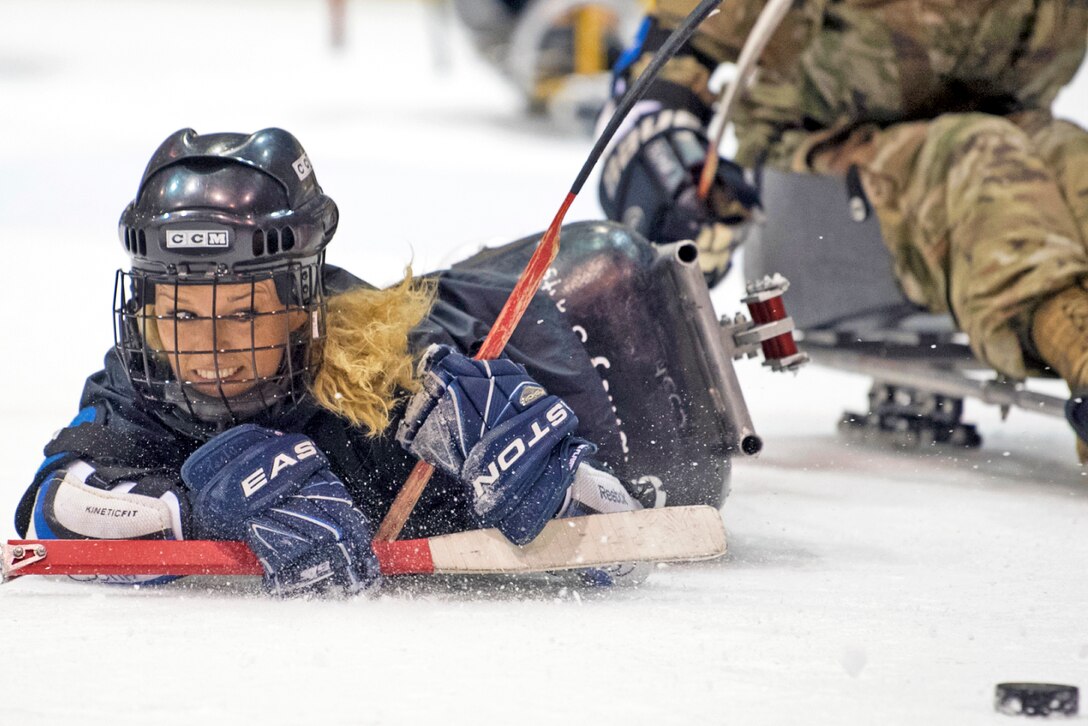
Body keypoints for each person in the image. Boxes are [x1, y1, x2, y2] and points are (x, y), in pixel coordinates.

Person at [13, 127, 660, 596]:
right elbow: (58, 505)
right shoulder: (144, 378)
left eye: (242, 313)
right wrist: (192, 511)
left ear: (302, 304)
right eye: (180, 314)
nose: (209, 350)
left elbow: (624, 534)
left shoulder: (392, 375)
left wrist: (552, 486)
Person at [597, 1, 1088, 460]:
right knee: (983, 154)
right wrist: (668, 161)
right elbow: (663, 63)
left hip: (1004, 140)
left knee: (1074, 162)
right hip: (823, 172)